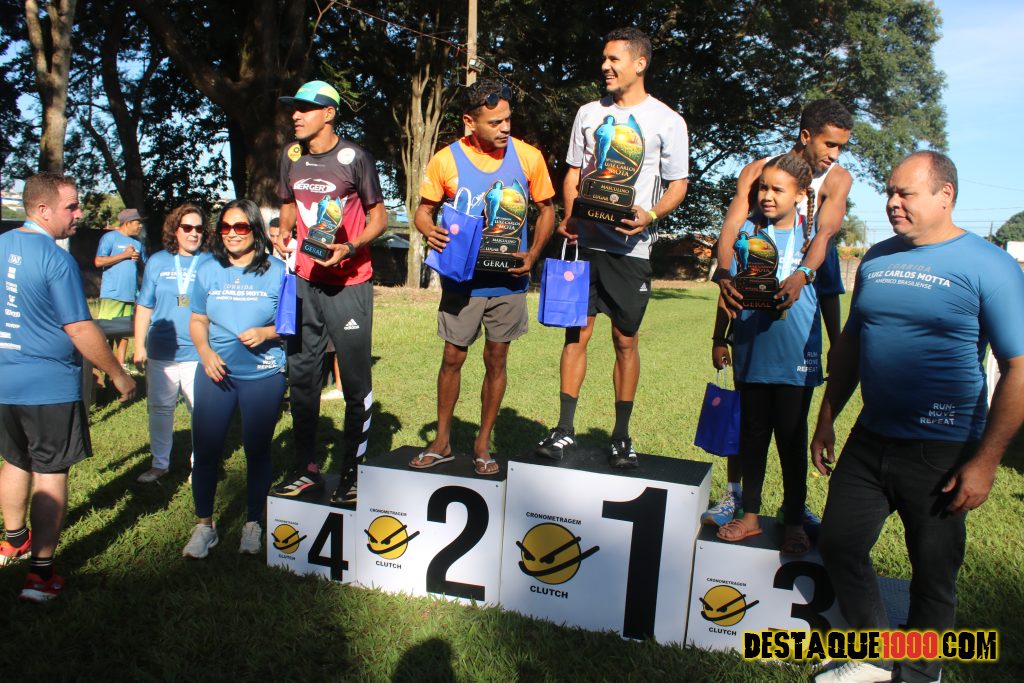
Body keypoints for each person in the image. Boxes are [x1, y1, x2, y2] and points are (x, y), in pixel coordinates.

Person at [811, 152, 1024, 683]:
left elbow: (1019, 368)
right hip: (870, 438)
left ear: (945, 195)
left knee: (932, 571)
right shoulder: (876, 259)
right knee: (839, 544)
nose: (892, 203)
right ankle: (875, 658)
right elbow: (852, 345)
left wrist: (985, 462)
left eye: (905, 193)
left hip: (943, 448)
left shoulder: (990, 265)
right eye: (889, 192)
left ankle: (922, 672)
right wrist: (827, 417)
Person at [534, 27, 689, 468]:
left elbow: (678, 185)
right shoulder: (588, 113)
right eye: (604, 59)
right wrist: (570, 216)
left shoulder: (667, 121)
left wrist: (650, 215)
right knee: (576, 333)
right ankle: (564, 429)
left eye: (614, 59)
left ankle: (621, 436)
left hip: (630, 249)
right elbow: (573, 172)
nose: (605, 66)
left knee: (625, 339)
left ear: (640, 64)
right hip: (584, 245)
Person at [703, 99, 854, 527]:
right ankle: (736, 497)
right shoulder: (759, 172)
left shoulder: (837, 180)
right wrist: (724, 276)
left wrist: (805, 273)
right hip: (752, 312)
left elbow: (825, 235)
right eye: (830, 144)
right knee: (747, 420)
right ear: (806, 136)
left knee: (790, 428)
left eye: (841, 147)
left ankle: (793, 507)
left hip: (801, 309)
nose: (835, 154)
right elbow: (731, 228)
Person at [408, 80, 555, 475]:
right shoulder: (446, 160)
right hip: (463, 282)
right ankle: (442, 441)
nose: (505, 128)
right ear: (470, 122)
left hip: (508, 281)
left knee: (497, 358)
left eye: (507, 119)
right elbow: (423, 210)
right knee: (452, 357)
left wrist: (533, 254)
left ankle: (482, 443)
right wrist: (428, 229)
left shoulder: (528, 157)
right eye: (495, 122)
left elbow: (547, 209)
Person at [0, 173, 136, 600]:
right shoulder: (55, 259)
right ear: (42, 210)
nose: (79, 214)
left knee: (15, 459)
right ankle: (41, 575)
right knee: (50, 472)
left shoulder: (2, 246)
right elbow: (79, 328)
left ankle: (13, 540)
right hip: (48, 387)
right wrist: (117, 373)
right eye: (72, 206)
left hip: (5, 382)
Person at [271, 80, 387, 505]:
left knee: (354, 383)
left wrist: (350, 247)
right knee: (302, 379)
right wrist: (284, 231)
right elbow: (288, 201)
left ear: (329, 113)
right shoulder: (291, 155)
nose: (295, 115)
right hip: (305, 281)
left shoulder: (354, 158)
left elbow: (380, 218)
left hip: (349, 283)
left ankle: (352, 475)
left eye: (305, 108)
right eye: (294, 108)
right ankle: (306, 470)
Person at [705, 153, 822, 555]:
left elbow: (830, 299)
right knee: (752, 437)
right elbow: (728, 294)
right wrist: (719, 338)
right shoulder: (746, 233)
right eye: (764, 188)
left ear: (800, 194)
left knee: (792, 440)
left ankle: (794, 521)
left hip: (797, 359)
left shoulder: (814, 240)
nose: (768, 196)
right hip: (752, 352)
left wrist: (838, 346)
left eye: (778, 190)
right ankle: (751, 516)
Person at [183, 200, 287, 559]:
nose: (231, 234)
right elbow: (198, 319)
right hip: (216, 373)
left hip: (263, 374)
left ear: (255, 230)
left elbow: (290, 323)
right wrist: (204, 352)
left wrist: (266, 333)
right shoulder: (208, 268)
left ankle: (253, 523)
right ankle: (204, 527)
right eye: (225, 227)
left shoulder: (278, 271)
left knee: (257, 449)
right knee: (206, 450)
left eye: (240, 227)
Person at [133, 204, 212, 483]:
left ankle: (200, 465)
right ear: (175, 230)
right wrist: (139, 345)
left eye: (199, 228)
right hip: (162, 350)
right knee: (160, 409)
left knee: (200, 411)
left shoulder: (211, 262)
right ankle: (159, 464)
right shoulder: (157, 261)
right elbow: (144, 305)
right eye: (187, 227)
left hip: (198, 351)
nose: (193, 233)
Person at [94, 207, 147, 368]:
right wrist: (124, 255)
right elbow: (98, 261)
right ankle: (103, 366)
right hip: (112, 294)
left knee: (123, 334)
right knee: (105, 332)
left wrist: (138, 260)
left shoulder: (138, 243)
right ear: (128, 223)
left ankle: (121, 366)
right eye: (137, 223)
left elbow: (145, 267)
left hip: (129, 295)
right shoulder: (110, 238)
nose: (140, 226)